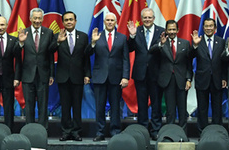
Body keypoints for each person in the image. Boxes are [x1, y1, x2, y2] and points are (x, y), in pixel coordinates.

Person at [87, 13, 129, 141]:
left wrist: (125, 76)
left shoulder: (122, 38)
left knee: (116, 106)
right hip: (100, 77)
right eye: (108, 20)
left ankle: (115, 131)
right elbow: (87, 53)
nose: (110, 22)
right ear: (104, 22)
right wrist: (93, 43)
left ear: (115, 22)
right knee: (99, 107)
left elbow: (125, 59)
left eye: (112, 20)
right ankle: (100, 132)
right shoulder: (97, 36)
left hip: (116, 78)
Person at [126, 8, 165, 140]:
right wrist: (131, 36)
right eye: (145, 18)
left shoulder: (161, 31)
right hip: (140, 73)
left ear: (154, 18)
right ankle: (142, 130)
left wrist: (162, 45)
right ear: (141, 19)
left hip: (156, 73)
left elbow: (164, 51)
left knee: (156, 104)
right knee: (141, 104)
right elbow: (130, 48)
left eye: (149, 17)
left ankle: (155, 130)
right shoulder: (137, 31)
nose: (147, 20)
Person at [149, 20, 192, 132]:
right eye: (169, 29)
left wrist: (188, 79)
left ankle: (183, 133)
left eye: (174, 29)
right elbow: (151, 51)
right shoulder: (162, 42)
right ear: (166, 30)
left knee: (182, 109)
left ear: (178, 30)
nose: (172, 31)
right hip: (167, 80)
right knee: (170, 110)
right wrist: (161, 44)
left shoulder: (185, 43)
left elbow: (188, 64)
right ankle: (170, 133)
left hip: (181, 80)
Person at [17, 8, 57, 128]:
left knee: (43, 104)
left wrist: (51, 74)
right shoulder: (24, 32)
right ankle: (29, 130)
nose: (37, 20)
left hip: (43, 74)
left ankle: (42, 130)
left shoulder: (49, 33)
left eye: (40, 18)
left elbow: (51, 55)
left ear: (43, 18)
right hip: (27, 75)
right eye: (35, 18)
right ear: (30, 19)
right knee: (29, 105)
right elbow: (16, 53)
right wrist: (20, 43)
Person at [54, 11, 90, 141]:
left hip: (78, 76)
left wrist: (87, 74)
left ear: (75, 21)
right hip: (63, 76)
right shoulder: (58, 36)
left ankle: (76, 132)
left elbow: (86, 57)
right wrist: (57, 42)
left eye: (71, 19)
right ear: (63, 22)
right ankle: (66, 131)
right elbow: (49, 52)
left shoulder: (84, 36)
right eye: (66, 20)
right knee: (65, 106)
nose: (69, 22)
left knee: (77, 106)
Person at [190, 18, 226, 131]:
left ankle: (217, 131)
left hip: (217, 79)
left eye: (211, 26)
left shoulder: (221, 41)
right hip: (202, 79)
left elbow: (224, 61)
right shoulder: (197, 41)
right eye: (206, 26)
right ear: (203, 28)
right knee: (202, 108)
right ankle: (203, 132)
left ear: (215, 28)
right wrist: (195, 46)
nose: (208, 28)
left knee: (217, 108)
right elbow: (190, 56)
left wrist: (224, 78)